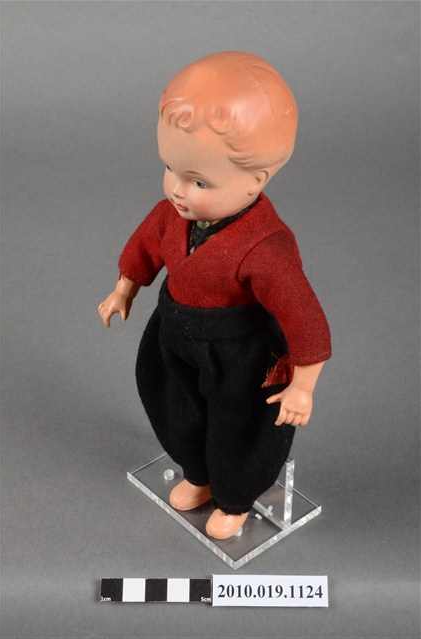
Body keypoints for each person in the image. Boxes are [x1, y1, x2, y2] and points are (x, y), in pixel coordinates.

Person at [98, 51, 331, 540]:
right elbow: (145, 248)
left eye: (199, 181)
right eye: (171, 167)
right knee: (172, 403)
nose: (178, 190)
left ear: (256, 180)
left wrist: (303, 386)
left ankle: (235, 497)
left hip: (236, 350)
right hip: (174, 330)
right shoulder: (172, 215)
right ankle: (197, 473)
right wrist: (124, 289)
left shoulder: (265, 247)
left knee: (238, 424)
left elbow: (303, 316)